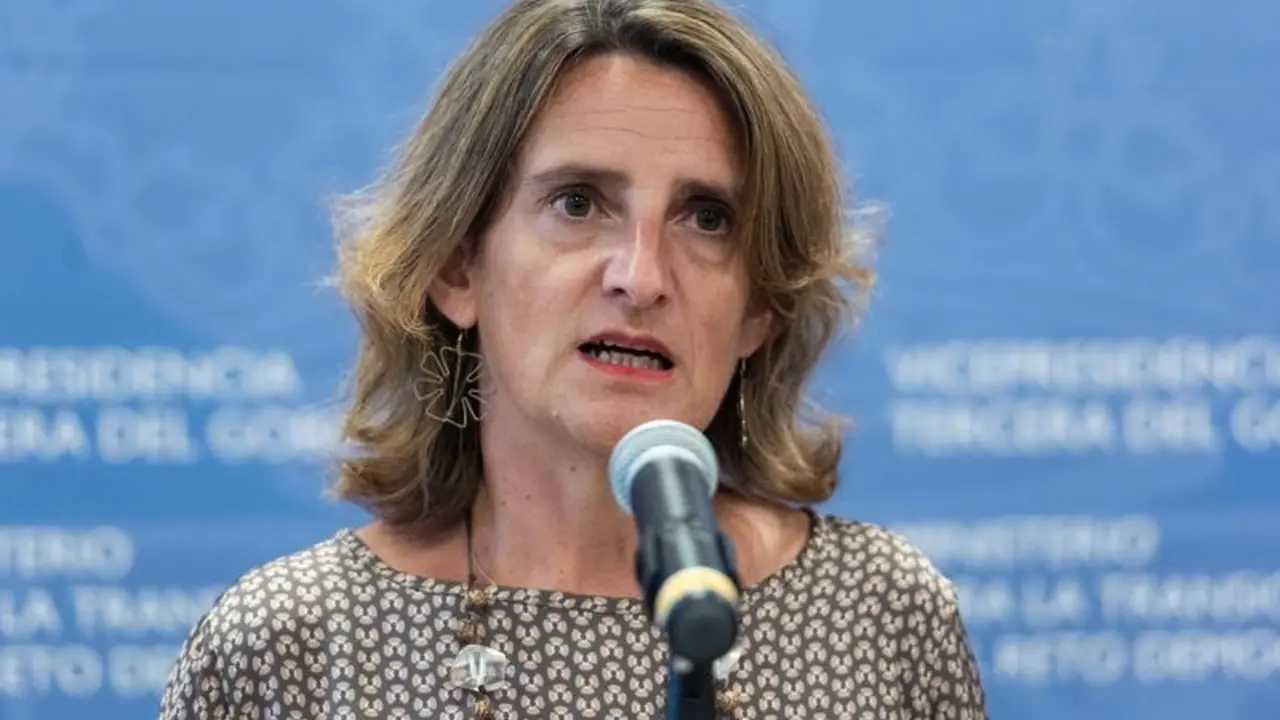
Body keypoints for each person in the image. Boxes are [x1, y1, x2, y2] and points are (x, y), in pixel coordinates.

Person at [158, 0, 988, 717]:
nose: (642, 277)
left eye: (707, 218)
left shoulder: (881, 614)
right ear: (456, 268)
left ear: (759, 307)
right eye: (578, 203)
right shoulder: (288, 648)